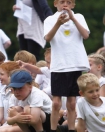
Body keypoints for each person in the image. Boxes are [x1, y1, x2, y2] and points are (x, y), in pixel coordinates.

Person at [44, 0, 90, 131]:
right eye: (62, 1)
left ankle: (71, 129)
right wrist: (58, 23)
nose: (65, 4)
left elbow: (85, 35)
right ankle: (53, 129)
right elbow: (48, 38)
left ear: (73, 5)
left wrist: (73, 18)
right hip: (59, 64)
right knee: (56, 102)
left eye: (69, 2)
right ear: (55, 4)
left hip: (75, 63)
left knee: (72, 103)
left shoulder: (79, 17)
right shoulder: (50, 19)